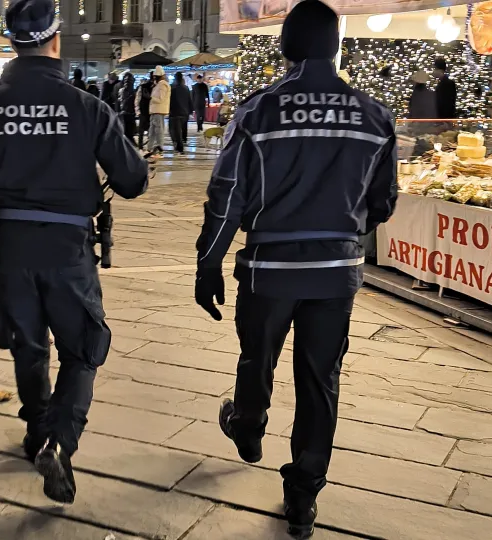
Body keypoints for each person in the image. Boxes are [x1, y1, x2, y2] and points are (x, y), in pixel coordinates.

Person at [0, 0, 149, 505]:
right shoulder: (87, 106)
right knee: (82, 350)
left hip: (11, 252)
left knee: (29, 348)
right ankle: (60, 440)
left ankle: (36, 434)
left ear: (12, 43)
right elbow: (133, 181)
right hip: (69, 252)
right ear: (56, 39)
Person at [193, 1, 397, 537]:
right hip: (336, 274)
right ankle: (303, 495)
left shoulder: (259, 112)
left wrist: (208, 262)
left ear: (286, 46)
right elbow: (384, 203)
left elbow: (226, 196)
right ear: (335, 46)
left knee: (256, 355)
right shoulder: (374, 116)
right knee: (320, 379)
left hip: (268, 270)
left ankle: (248, 423)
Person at [148, 66, 170, 156]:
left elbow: (160, 99)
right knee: (152, 131)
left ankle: (160, 149)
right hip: (154, 111)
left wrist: (150, 97)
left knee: (158, 131)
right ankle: (150, 149)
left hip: (159, 111)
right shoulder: (158, 84)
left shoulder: (162, 84)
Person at [169, 72, 192, 154]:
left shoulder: (172, 88)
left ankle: (179, 147)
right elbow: (190, 100)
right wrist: (190, 110)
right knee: (182, 129)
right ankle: (181, 142)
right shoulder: (186, 88)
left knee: (175, 131)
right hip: (185, 112)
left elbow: (170, 101)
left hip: (175, 112)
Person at [135, 76, 154, 148]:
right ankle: (147, 145)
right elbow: (137, 99)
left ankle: (142, 145)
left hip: (144, 111)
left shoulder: (142, 87)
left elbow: (137, 99)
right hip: (149, 111)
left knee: (142, 130)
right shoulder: (153, 87)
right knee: (148, 129)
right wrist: (138, 111)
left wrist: (138, 111)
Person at [118, 72, 137, 143]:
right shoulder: (122, 91)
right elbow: (119, 102)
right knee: (125, 132)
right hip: (124, 114)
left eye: (129, 81)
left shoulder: (134, 91)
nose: (127, 82)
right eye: (126, 80)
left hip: (131, 113)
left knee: (130, 132)